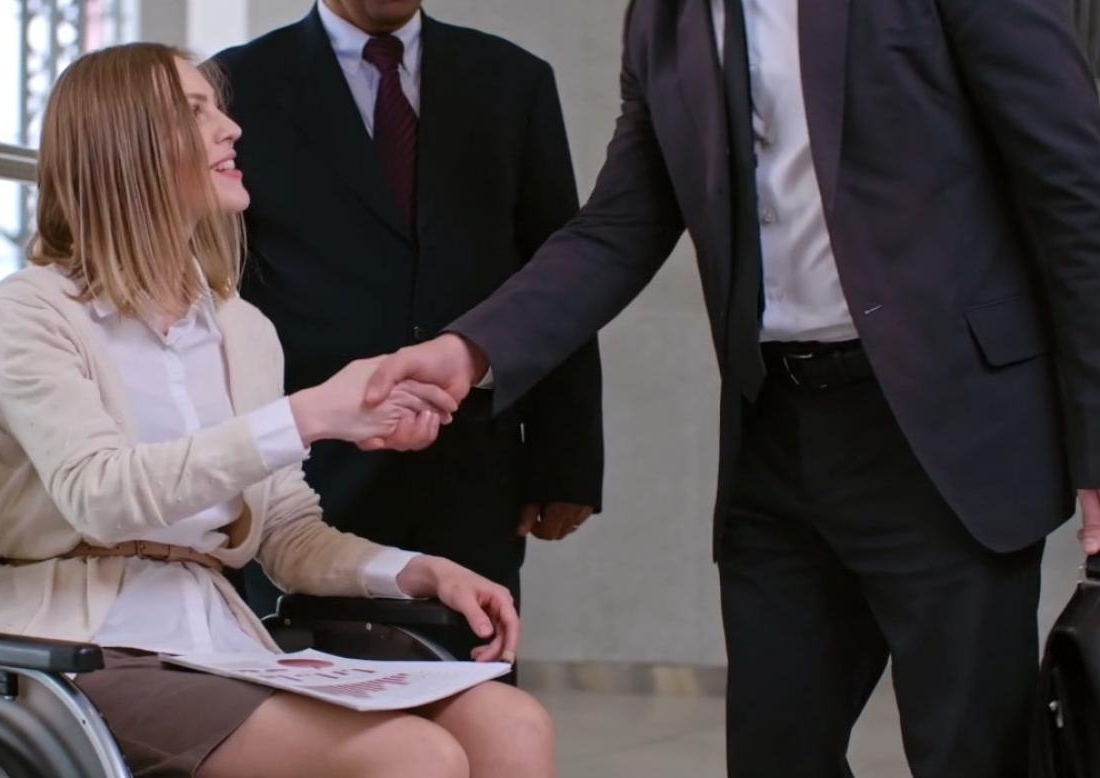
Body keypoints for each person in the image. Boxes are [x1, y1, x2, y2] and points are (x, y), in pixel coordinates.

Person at [365, 1, 1100, 776]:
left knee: (970, 756)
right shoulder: (662, 18)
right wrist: (472, 349)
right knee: (772, 753)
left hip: (945, 436)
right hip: (774, 433)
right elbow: (621, 223)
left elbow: (1075, 191)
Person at [0, 42, 555, 778]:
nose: (230, 129)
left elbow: (284, 534)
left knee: (512, 722)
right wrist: (307, 416)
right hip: (85, 652)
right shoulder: (34, 310)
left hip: (223, 643)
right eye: (194, 111)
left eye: (217, 107)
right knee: (412, 757)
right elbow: (100, 493)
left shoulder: (242, 329)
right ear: (126, 144)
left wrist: (421, 572)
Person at [212, 0, 605, 649]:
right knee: (315, 711)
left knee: (473, 679)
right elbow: (219, 287)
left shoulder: (513, 80)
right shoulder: (235, 84)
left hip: (475, 464)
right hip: (308, 472)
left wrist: (568, 460)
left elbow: (556, 277)